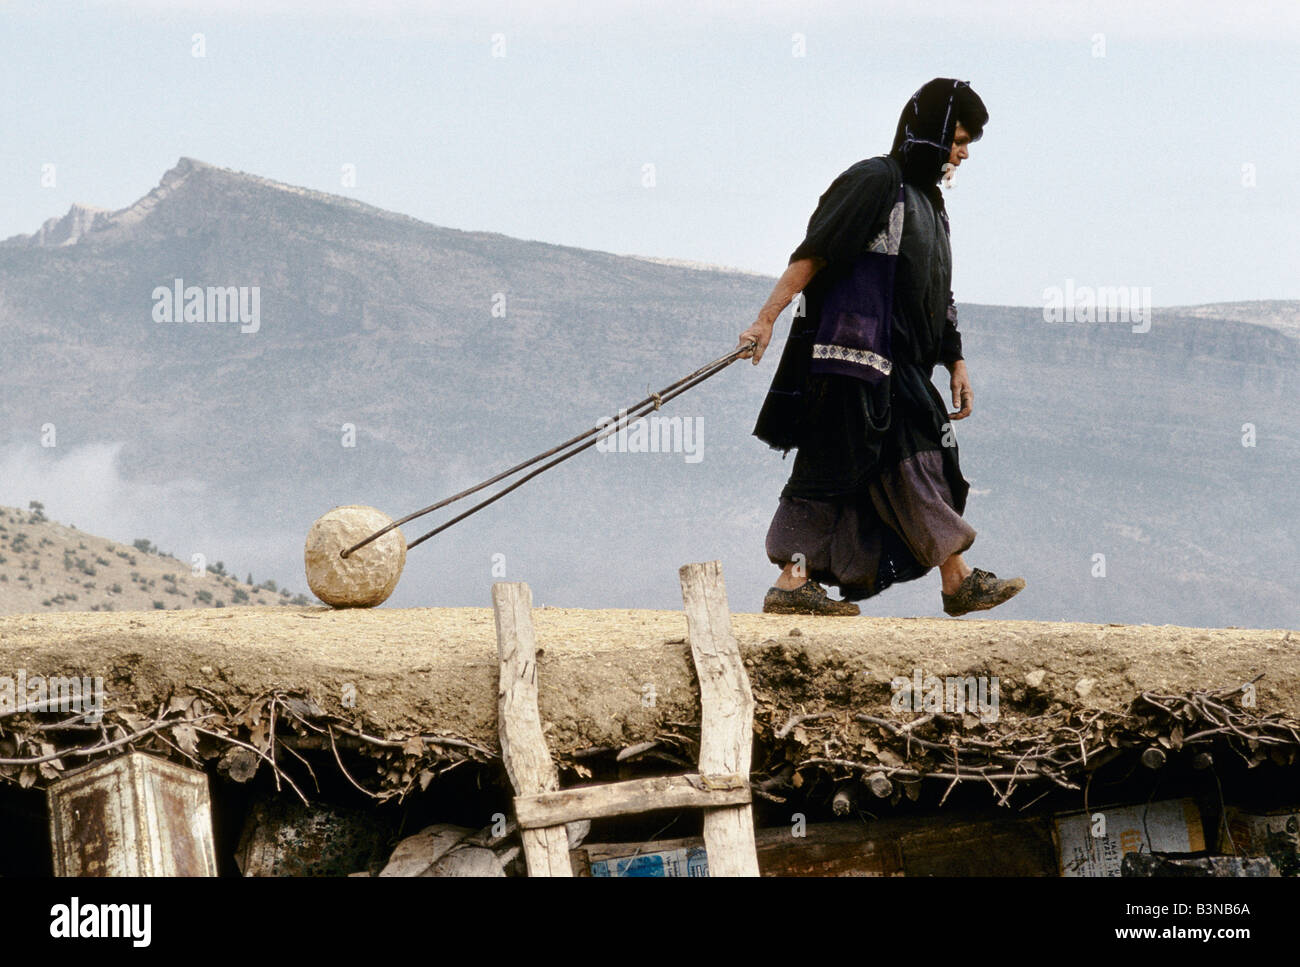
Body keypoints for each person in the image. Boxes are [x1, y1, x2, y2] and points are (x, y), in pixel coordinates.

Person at [738, 78, 1025, 617]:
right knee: (864, 463)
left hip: (903, 366)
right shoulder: (875, 182)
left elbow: (938, 290)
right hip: (851, 360)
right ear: (931, 134)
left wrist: (955, 359)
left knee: (893, 465)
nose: (962, 154)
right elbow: (815, 253)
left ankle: (796, 584)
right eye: (958, 140)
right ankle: (953, 579)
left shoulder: (929, 204)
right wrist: (765, 318)